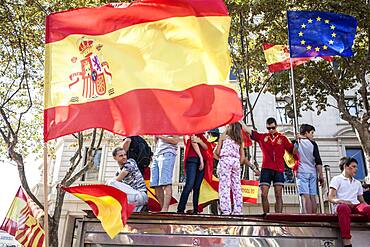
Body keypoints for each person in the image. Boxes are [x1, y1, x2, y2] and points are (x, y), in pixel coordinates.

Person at [241, 117, 293, 214]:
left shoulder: (283, 138)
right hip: (266, 168)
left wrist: (299, 140)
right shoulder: (262, 137)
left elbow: (292, 150)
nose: (271, 130)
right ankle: (266, 215)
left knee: (278, 194)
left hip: (279, 168)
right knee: (263, 194)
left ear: (276, 126)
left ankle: (279, 216)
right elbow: (248, 131)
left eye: (273, 128)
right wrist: (240, 120)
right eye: (269, 128)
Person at [214, 122, 259, 215]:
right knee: (237, 187)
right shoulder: (239, 140)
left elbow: (217, 152)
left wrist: (222, 157)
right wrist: (237, 162)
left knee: (224, 187)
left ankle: (226, 210)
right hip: (236, 162)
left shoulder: (223, 137)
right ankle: (238, 210)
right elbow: (242, 157)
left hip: (225, 161)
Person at [328, 157, 370, 247]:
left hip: (355, 205)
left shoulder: (357, 183)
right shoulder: (336, 179)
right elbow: (331, 198)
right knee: (343, 208)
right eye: (353, 166)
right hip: (342, 206)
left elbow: (361, 200)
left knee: (368, 208)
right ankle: (346, 241)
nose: (356, 169)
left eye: (356, 167)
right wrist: (342, 201)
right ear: (345, 167)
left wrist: (367, 207)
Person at [293, 124, 324, 213]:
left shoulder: (297, 142)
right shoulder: (313, 144)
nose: (312, 135)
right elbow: (318, 161)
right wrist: (321, 175)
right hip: (313, 172)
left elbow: (293, 152)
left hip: (302, 171)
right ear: (306, 133)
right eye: (312, 133)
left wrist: (297, 140)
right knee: (313, 196)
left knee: (306, 196)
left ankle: (308, 216)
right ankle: (314, 217)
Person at [107, 147, 148, 212]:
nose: (124, 157)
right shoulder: (118, 172)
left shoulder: (130, 162)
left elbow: (117, 180)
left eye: (125, 155)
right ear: (114, 158)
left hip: (140, 195)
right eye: (121, 156)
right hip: (132, 198)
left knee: (110, 183)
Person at [177, 133, 209, 214]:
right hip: (192, 159)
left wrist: (200, 141)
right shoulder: (191, 131)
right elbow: (193, 142)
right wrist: (201, 158)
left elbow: (206, 147)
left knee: (197, 186)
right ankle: (180, 209)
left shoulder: (202, 135)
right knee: (189, 184)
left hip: (202, 161)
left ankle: (195, 209)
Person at [150, 135, 181, 212]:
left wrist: (160, 136)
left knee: (166, 182)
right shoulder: (159, 127)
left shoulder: (173, 127)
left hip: (167, 154)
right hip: (157, 154)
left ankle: (165, 209)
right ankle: (162, 208)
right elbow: (156, 141)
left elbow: (176, 140)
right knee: (155, 184)